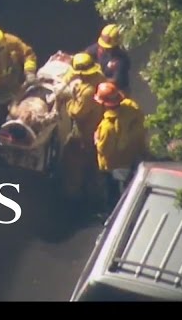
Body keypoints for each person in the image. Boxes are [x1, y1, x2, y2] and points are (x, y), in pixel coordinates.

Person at [0, 26, 38, 156]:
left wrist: (29, 72)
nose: (1, 51)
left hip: (13, 89)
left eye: (2, 47)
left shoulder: (12, 42)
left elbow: (28, 54)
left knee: (15, 118)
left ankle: (14, 147)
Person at [59, 53, 108, 210]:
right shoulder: (99, 77)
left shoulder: (88, 92)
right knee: (93, 163)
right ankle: (95, 196)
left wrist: (69, 99)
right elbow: (71, 74)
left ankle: (73, 199)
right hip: (98, 127)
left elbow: (76, 112)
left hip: (85, 133)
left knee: (72, 162)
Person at [93, 81, 147, 212]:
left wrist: (96, 140)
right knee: (129, 191)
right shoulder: (131, 108)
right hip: (131, 158)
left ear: (104, 103)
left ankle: (111, 214)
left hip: (112, 166)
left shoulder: (107, 126)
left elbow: (104, 150)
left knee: (112, 195)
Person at [84, 23, 131, 93]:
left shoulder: (121, 59)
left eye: (106, 47)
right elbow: (84, 55)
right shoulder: (98, 48)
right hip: (99, 81)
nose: (102, 48)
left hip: (116, 91)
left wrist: (96, 80)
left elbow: (115, 81)